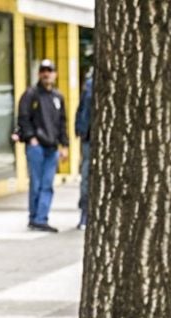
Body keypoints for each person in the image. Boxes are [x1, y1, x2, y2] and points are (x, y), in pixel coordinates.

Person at [12, 59, 68, 232]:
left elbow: (61, 122)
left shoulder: (57, 97)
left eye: (49, 71)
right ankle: (35, 217)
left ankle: (41, 218)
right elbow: (23, 117)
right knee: (36, 183)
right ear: (39, 74)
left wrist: (64, 145)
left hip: (52, 147)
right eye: (43, 70)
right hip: (36, 145)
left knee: (47, 184)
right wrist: (30, 137)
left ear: (55, 74)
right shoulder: (31, 94)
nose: (46, 74)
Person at [73, 69, 93, 229]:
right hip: (88, 138)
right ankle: (84, 213)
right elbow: (81, 109)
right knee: (86, 177)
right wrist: (80, 130)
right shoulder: (89, 84)